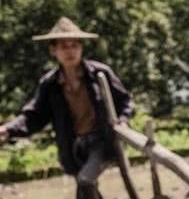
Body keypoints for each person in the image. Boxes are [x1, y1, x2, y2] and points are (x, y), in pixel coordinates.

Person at [0, 17, 134, 199]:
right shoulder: (50, 84)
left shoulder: (100, 74)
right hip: (73, 145)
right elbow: (34, 115)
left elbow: (125, 100)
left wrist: (123, 121)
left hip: (101, 142)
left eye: (74, 46)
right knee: (84, 189)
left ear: (81, 48)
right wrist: (8, 130)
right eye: (64, 47)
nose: (70, 51)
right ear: (53, 50)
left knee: (85, 181)